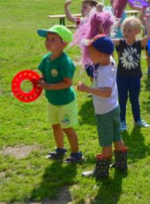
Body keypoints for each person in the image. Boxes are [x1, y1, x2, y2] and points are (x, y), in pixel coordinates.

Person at [76, 36, 128, 179]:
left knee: (106, 143)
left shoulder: (104, 71)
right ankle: (121, 164)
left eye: (90, 53)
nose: (89, 56)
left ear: (99, 54)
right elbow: (106, 47)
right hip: (113, 108)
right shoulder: (110, 60)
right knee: (117, 137)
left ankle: (101, 172)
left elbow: (106, 92)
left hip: (105, 112)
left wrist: (88, 89)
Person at [36, 25, 82, 163]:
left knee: (67, 127)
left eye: (53, 39)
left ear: (64, 44)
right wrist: (40, 79)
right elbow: (43, 74)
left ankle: (76, 153)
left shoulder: (64, 62)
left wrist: (49, 86)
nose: (48, 42)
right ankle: (60, 149)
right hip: (53, 100)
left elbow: (67, 82)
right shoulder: (46, 59)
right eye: (47, 39)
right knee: (55, 125)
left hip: (65, 102)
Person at [112, 13, 150, 132]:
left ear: (136, 31)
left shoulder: (139, 43)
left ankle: (138, 120)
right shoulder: (120, 42)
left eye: (129, 30)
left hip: (135, 77)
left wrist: (147, 22)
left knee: (135, 99)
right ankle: (122, 121)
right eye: (124, 30)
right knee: (122, 99)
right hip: (121, 77)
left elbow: (149, 36)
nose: (126, 32)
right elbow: (107, 41)